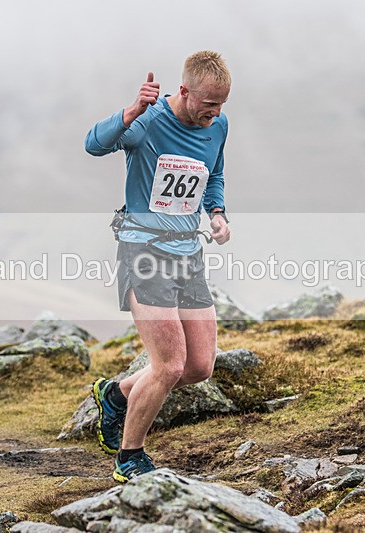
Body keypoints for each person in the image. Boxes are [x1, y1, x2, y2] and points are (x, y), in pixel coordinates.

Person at [84, 50, 232, 483]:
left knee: (199, 366)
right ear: (184, 91)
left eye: (221, 105)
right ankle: (129, 458)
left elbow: (213, 174)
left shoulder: (218, 125)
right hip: (144, 253)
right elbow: (94, 144)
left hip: (188, 255)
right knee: (168, 365)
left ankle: (116, 395)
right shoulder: (148, 120)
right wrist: (131, 111)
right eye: (208, 104)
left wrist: (217, 212)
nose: (215, 113)